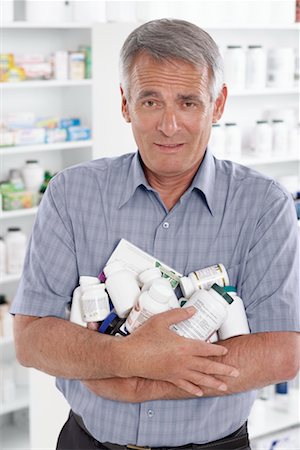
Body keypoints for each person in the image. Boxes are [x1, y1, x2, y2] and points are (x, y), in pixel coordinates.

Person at [12, 19, 299, 450]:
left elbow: (281, 352)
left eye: (188, 102)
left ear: (217, 105)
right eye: (150, 101)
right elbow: (33, 339)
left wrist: (136, 382)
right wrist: (127, 355)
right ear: (125, 104)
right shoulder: (72, 193)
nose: (169, 125)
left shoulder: (264, 205)